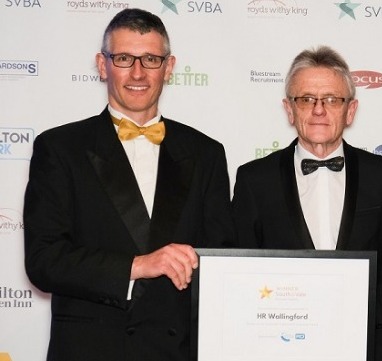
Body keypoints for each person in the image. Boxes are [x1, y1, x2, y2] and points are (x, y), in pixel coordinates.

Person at [23, 8, 234, 361]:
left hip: (176, 351)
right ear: (102, 65)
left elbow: (221, 261)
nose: (138, 72)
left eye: (151, 59)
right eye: (124, 58)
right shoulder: (60, 148)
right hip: (90, 350)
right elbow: (44, 261)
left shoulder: (206, 153)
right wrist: (138, 265)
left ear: (169, 67)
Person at [231, 45, 382, 361]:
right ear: (288, 109)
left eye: (332, 100)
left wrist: (360, 316)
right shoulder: (254, 179)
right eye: (307, 99)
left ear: (350, 110)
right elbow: (242, 267)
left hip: (364, 344)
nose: (319, 110)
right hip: (276, 348)